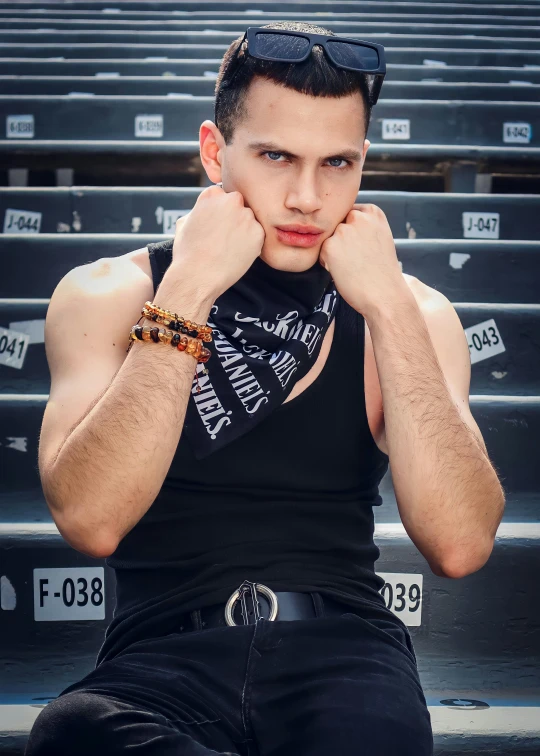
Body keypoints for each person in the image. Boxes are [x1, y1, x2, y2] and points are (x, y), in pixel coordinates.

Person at [28, 20, 505, 756]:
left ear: (363, 164)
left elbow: (462, 543)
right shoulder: (109, 295)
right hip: (158, 662)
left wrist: (388, 308)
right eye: (277, 156)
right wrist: (188, 287)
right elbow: (90, 520)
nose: (309, 197)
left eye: (338, 163)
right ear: (216, 153)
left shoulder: (414, 315)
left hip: (346, 657)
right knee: (69, 733)